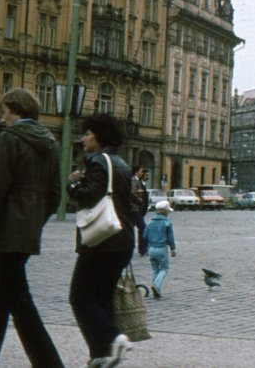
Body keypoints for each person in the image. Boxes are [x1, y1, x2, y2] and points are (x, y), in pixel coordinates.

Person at [0, 89, 63, 368]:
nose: (2, 117)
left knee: (15, 300)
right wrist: (33, 222)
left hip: (5, 234)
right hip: (26, 233)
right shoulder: (50, 143)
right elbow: (55, 195)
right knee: (2, 298)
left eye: (4, 111)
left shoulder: (10, 139)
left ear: (15, 109)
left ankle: (49, 364)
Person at [67, 114, 136, 368]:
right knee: (101, 298)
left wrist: (73, 185)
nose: (83, 138)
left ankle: (113, 339)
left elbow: (88, 197)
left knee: (80, 297)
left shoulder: (97, 162)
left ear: (99, 136)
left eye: (87, 133)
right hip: (122, 240)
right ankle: (101, 355)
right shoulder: (121, 163)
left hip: (102, 240)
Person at [143, 200, 176, 299]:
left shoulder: (150, 223)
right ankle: (156, 286)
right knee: (164, 269)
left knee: (155, 270)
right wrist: (173, 249)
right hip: (161, 249)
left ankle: (156, 289)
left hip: (151, 249)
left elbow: (144, 235)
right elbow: (170, 238)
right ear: (166, 212)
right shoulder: (167, 223)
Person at [131, 167, 150, 256]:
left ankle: (141, 249)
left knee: (133, 228)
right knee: (143, 228)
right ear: (136, 172)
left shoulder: (138, 181)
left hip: (137, 209)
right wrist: (140, 201)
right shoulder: (134, 180)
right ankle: (143, 249)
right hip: (134, 208)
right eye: (141, 171)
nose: (142, 173)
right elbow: (132, 193)